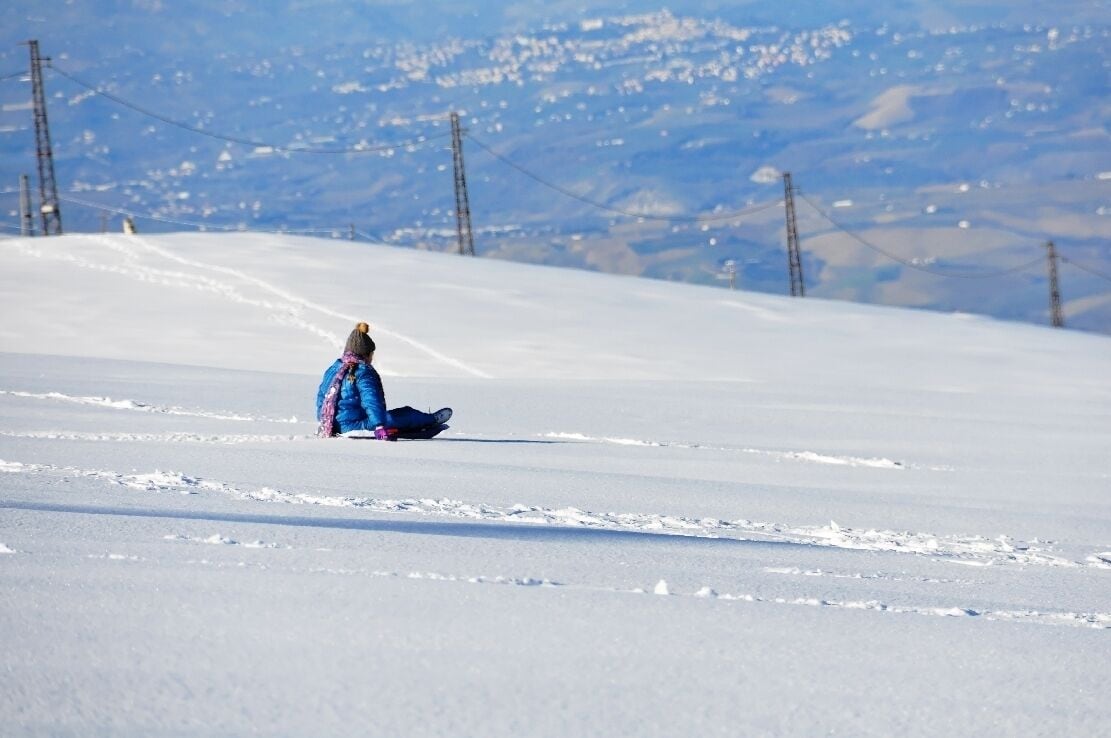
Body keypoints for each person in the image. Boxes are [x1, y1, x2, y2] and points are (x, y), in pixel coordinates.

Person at [316, 322, 451, 439]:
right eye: (371, 354)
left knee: (392, 415)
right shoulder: (362, 371)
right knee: (404, 414)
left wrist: (324, 422)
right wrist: (379, 425)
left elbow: (321, 398)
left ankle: (423, 420)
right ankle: (431, 420)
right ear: (366, 354)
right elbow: (371, 400)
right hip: (355, 426)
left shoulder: (334, 369)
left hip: (332, 425)